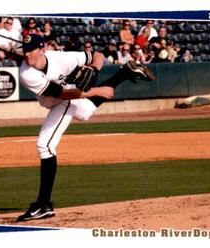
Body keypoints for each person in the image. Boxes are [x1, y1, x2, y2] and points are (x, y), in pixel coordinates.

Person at [17, 34, 154, 221]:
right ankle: (124, 72)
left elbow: (97, 55)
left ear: (42, 50)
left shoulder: (61, 58)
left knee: (45, 145)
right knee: (84, 113)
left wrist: (94, 69)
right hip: (63, 96)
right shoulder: (26, 73)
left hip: (63, 100)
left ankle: (43, 204)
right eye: (25, 51)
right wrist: (98, 91)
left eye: (31, 50)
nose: (27, 55)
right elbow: (61, 93)